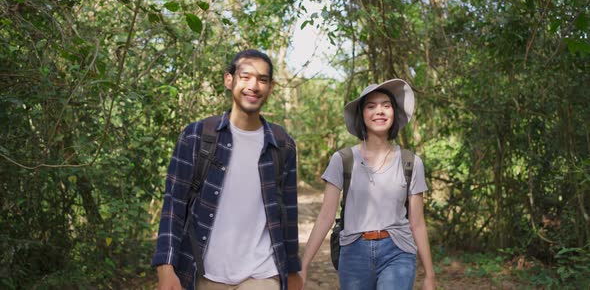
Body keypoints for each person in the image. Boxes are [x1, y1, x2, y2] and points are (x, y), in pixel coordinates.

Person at [152, 49, 302, 290]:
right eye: (246, 77)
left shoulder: (282, 144)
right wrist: (165, 267)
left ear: (271, 87)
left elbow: (288, 212)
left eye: (262, 79)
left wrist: (294, 268)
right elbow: (174, 204)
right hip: (204, 271)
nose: (254, 86)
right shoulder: (197, 136)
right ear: (229, 80)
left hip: (263, 273)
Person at [299, 79, 436, 290]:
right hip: (354, 252)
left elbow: (417, 222)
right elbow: (326, 216)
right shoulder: (343, 159)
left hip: (397, 250)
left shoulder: (411, 162)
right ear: (362, 115)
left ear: (394, 113)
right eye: (371, 106)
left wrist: (429, 275)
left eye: (386, 105)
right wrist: (304, 265)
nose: (379, 111)